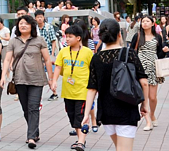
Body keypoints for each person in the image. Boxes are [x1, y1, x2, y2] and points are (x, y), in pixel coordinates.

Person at [82, 19, 149, 151]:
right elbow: (144, 82)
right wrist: (144, 104)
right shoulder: (129, 54)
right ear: (119, 34)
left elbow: (91, 89)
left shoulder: (96, 58)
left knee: (119, 147)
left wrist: (86, 115)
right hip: (126, 110)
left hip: (106, 112)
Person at [0, 14, 54, 149]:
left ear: (31, 26)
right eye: (20, 23)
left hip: (37, 79)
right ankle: (34, 131)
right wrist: (3, 76)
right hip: (20, 79)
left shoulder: (39, 40)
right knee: (25, 108)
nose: (23, 25)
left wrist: (51, 78)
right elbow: (7, 59)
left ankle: (31, 137)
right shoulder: (13, 41)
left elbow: (47, 59)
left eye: (26, 23)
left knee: (33, 107)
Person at [50, 25, 93, 151]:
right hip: (68, 91)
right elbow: (58, 67)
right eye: (66, 36)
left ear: (78, 38)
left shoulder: (87, 52)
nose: (67, 39)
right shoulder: (63, 51)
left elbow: (93, 70)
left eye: (70, 37)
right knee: (72, 116)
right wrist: (54, 81)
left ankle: (81, 141)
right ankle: (80, 139)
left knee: (80, 117)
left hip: (82, 91)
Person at [129, 15, 168, 131]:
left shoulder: (157, 37)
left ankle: (152, 114)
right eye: (143, 21)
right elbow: (131, 51)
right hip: (140, 68)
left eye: (147, 21)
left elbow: (159, 54)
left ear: (152, 23)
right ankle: (148, 121)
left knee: (152, 97)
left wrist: (164, 51)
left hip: (153, 68)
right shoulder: (138, 36)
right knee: (144, 96)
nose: (144, 23)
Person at [35, 10, 58, 101]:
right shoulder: (34, 29)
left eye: (41, 17)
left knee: (50, 74)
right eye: (38, 17)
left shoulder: (49, 27)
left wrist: (52, 54)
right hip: (38, 55)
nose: (40, 19)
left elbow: (53, 41)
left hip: (48, 54)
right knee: (39, 74)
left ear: (44, 17)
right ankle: (38, 94)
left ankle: (54, 93)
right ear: (35, 18)